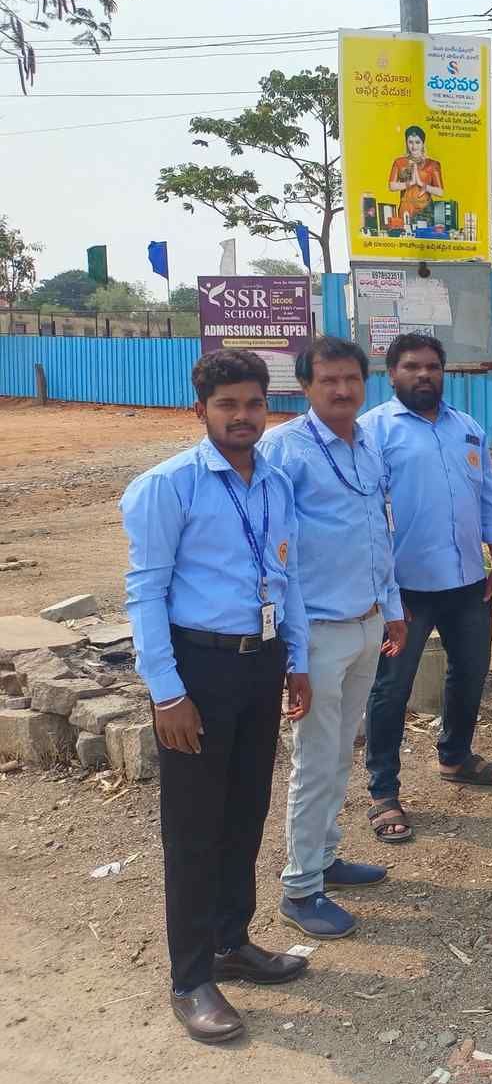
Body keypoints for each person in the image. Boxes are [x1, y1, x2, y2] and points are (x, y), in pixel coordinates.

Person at [120, 349, 312, 1044]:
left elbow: (286, 577)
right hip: (197, 673)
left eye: (253, 404)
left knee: (245, 812)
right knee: (194, 830)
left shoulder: (274, 483)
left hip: (259, 666)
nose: (242, 416)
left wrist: (297, 659)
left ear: (268, 407)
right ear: (199, 410)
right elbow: (144, 593)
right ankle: (191, 977)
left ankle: (233, 943)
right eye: (227, 404)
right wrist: (166, 694)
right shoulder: (166, 487)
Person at [259, 336, 407, 939]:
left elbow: (380, 529)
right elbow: (273, 554)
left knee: (342, 749)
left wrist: (391, 607)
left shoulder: (368, 443)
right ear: (305, 387)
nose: (342, 390)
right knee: (315, 761)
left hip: (367, 621)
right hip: (316, 632)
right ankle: (301, 887)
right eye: (328, 381)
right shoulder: (283, 449)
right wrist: (290, 648)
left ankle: (325, 856)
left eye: (351, 379)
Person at [362, 333, 492, 843]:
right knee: (391, 688)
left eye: (432, 366)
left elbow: (488, 501)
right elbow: (363, 513)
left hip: (466, 581)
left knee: (470, 673)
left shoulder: (467, 428)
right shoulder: (372, 433)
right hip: (404, 589)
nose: (424, 375)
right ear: (391, 374)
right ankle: (383, 791)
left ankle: (455, 756)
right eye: (412, 367)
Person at [387, 124, 444, 230]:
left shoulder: (433, 164)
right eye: (410, 142)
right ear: (406, 143)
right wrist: (411, 183)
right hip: (406, 210)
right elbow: (392, 186)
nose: (414, 146)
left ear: (423, 143)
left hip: (425, 211)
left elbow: (440, 192)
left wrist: (422, 185)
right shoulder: (399, 162)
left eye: (417, 142)